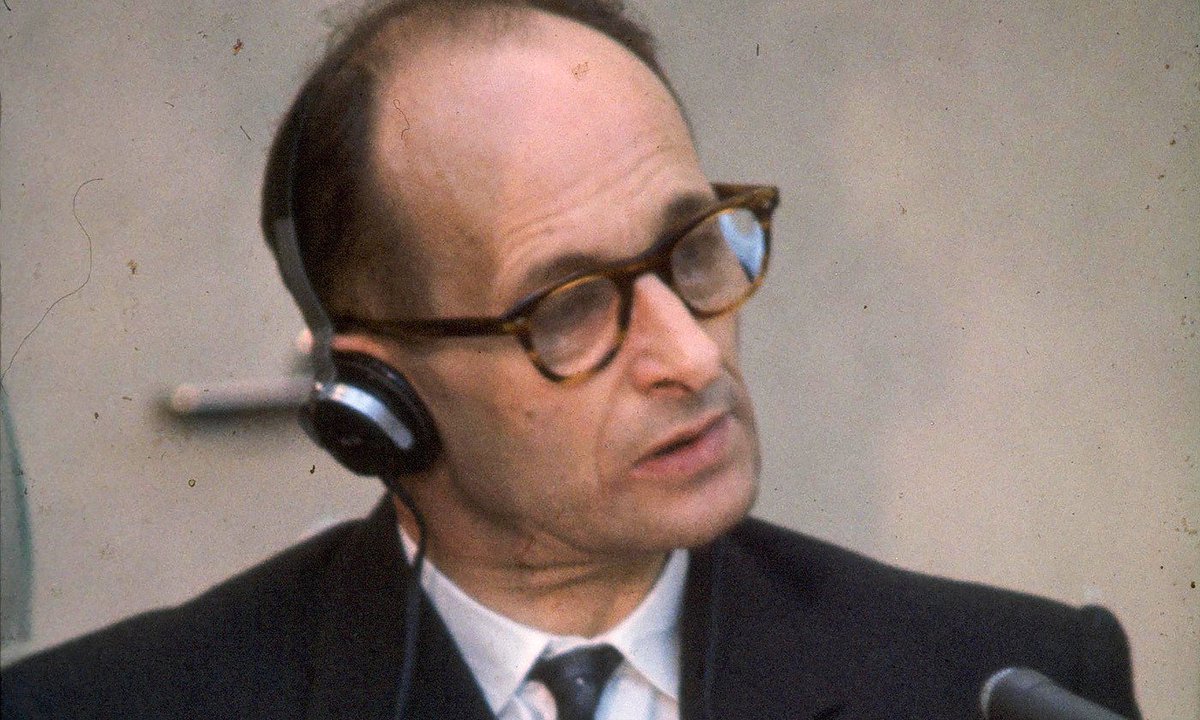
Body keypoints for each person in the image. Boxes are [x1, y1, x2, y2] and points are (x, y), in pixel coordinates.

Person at [2, 1, 1141, 718]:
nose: (689, 354)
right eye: (571, 308)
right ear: (380, 394)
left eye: (693, 248)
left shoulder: (1011, 682)